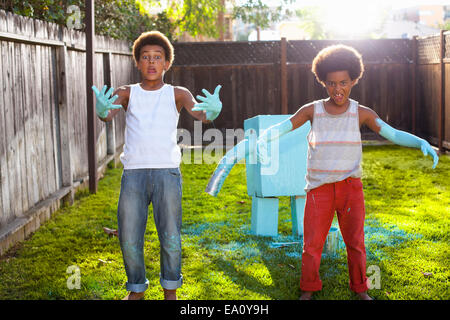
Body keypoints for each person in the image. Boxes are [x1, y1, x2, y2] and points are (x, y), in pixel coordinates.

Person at [256, 44, 439, 300]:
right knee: (312, 245)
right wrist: (264, 137)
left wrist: (420, 141)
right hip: (319, 190)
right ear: (323, 82)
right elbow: (284, 127)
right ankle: (308, 289)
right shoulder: (312, 110)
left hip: (351, 190)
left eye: (343, 82)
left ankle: (361, 289)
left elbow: (392, 133)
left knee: (355, 243)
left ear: (354, 80)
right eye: (331, 83)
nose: (337, 89)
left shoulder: (361, 113)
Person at [92, 31, 222, 300]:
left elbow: (201, 114)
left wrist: (212, 111)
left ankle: (170, 290)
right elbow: (109, 114)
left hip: (167, 174)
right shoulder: (126, 92)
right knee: (128, 236)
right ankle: (136, 289)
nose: (151, 62)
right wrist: (103, 111)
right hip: (134, 176)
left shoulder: (177, 93)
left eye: (157, 57)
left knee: (170, 236)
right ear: (137, 63)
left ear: (166, 63)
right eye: (145, 57)